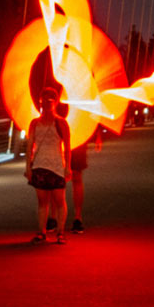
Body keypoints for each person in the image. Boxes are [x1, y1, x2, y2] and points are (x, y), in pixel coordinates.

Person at [25, 87, 71, 243]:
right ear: (40, 101)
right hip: (39, 165)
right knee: (42, 202)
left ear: (56, 102)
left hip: (57, 165)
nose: (47, 103)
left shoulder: (61, 123)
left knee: (59, 200)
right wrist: (28, 168)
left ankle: (60, 232)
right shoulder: (34, 123)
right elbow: (30, 145)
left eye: (50, 100)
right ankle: (42, 232)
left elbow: (68, 146)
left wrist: (67, 167)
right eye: (44, 100)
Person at [66, 121, 103, 233]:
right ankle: (54, 217)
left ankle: (77, 217)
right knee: (57, 179)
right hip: (58, 134)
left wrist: (98, 134)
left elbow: (92, 111)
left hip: (78, 135)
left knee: (76, 177)